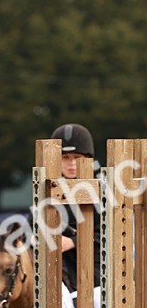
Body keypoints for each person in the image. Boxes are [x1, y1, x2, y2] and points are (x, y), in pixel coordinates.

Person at [49, 122, 101, 292]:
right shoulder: (46, 191)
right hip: (55, 273)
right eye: (65, 158)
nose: (71, 163)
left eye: (77, 157)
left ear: (89, 159)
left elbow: (110, 234)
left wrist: (72, 242)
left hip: (96, 274)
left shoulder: (104, 192)